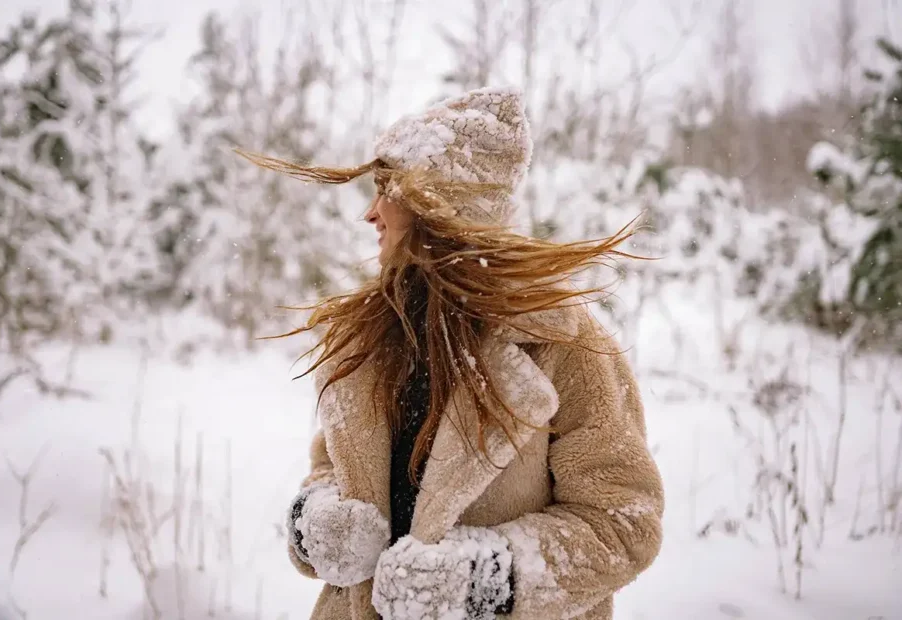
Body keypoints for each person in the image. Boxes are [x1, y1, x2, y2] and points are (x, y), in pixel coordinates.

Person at [235, 86, 664, 620]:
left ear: (441, 204)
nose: (371, 213)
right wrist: (316, 521)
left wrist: (482, 581)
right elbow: (330, 467)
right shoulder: (369, 339)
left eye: (387, 190)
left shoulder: (563, 346)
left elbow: (623, 521)